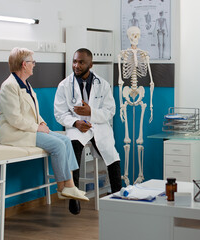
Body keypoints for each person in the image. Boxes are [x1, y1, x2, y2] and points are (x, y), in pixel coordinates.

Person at [0, 47, 88, 205]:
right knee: (57, 145)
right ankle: (65, 187)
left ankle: (65, 186)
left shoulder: (25, 84)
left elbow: (32, 111)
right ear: (24, 64)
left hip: (27, 129)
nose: (34, 64)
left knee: (66, 140)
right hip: (14, 132)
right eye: (32, 62)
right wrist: (37, 128)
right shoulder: (9, 86)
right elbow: (14, 119)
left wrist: (41, 122)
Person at [54, 48, 122, 215]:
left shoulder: (103, 85)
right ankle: (74, 197)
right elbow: (59, 113)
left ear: (90, 64)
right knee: (73, 148)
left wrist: (91, 112)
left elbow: (110, 111)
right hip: (77, 128)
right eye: (75, 61)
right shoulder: (64, 85)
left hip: (98, 126)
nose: (77, 65)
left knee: (112, 156)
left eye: (81, 62)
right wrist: (76, 122)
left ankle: (118, 197)